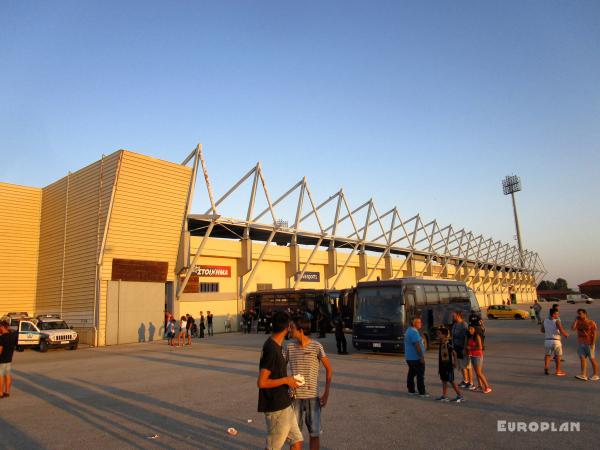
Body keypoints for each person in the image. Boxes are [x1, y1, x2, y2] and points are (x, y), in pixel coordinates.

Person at [257, 312, 303, 450]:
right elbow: (261, 382)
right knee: (273, 447)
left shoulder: (277, 346)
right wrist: (286, 380)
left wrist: (289, 384)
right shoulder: (271, 349)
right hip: (276, 406)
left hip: (285, 403)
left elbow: (278, 374)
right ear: (287, 327)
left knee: (296, 441)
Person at [287, 317, 333, 450]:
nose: (290, 330)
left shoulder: (316, 346)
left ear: (300, 330)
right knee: (295, 436)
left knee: (314, 434)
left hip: (313, 398)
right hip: (294, 399)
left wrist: (326, 393)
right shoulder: (289, 347)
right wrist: (287, 385)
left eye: (292, 328)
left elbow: (329, 369)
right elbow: (280, 368)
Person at [436, 327, 464, 403]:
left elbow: (454, 353)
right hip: (442, 366)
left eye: (439, 334)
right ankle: (444, 396)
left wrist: (455, 363)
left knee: (451, 381)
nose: (437, 335)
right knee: (444, 380)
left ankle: (460, 396)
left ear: (444, 335)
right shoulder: (441, 342)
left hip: (447, 366)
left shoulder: (447, 343)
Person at [571, 309, 599, 381]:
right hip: (581, 343)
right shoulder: (578, 322)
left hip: (589, 343)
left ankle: (596, 375)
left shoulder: (591, 322)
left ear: (585, 314)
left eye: (580, 313)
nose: (579, 315)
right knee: (582, 359)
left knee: (592, 359)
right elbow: (573, 329)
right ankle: (583, 374)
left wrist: (593, 343)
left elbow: (595, 333)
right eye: (578, 314)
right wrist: (575, 321)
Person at [404, 317, 428, 397]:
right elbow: (417, 345)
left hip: (410, 358)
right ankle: (422, 392)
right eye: (419, 322)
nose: (421, 323)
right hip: (415, 358)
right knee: (420, 375)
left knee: (411, 374)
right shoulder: (413, 332)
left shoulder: (409, 330)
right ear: (414, 323)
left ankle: (411, 390)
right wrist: (421, 357)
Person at [541, 308, 569, 376]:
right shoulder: (557, 321)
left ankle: (546, 367)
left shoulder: (544, 320)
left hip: (547, 340)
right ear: (553, 314)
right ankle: (558, 370)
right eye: (557, 314)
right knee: (558, 356)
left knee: (547, 355)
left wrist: (548, 331)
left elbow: (542, 330)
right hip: (556, 341)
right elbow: (561, 330)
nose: (558, 315)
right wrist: (566, 335)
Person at [466, 325, 492, 393]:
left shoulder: (477, 336)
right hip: (472, 356)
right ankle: (480, 386)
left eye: (471, 329)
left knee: (479, 372)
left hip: (478, 356)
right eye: (469, 329)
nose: (470, 330)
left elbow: (480, 347)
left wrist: (470, 348)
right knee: (477, 372)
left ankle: (487, 387)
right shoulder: (471, 336)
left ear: (475, 329)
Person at [451, 311, 472, 389]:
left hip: (463, 348)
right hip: (456, 347)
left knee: (467, 365)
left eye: (454, 315)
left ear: (458, 316)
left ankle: (471, 382)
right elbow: (452, 336)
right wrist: (453, 348)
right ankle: (465, 380)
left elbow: (466, 338)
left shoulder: (464, 325)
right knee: (461, 366)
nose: (453, 317)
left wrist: (464, 348)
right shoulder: (455, 324)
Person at [0, 320, 18, 398]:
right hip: (9, 358)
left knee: (0, 376)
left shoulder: (1, 338)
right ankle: (7, 392)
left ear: (2, 327)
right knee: (7, 375)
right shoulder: (12, 336)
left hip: (2, 360)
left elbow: (0, 350)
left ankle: (0, 393)